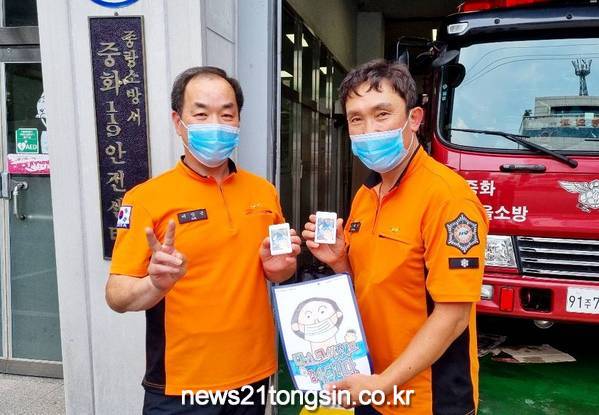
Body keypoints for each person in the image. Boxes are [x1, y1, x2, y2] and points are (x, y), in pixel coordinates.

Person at [105, 66, 301, 414]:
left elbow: (279, 271)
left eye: (227, 114)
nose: (216, 124)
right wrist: (154, 284)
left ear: (238, 121)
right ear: (178, 121)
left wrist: (280, 270)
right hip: (181, 385)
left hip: (254, 375)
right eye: (201, 114)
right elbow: (116, 296)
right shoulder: (146, 198)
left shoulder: (264, 192)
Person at [302, 59, 488, 415]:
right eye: (356, 119)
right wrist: (340, 261)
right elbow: (373, 287)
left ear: (414, 119)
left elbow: (454, 316)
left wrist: (383, 383)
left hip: (427, 399)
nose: (369, 129)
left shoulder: (447, 197)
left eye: (382, 114)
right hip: (369, 384)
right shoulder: (366, 195)